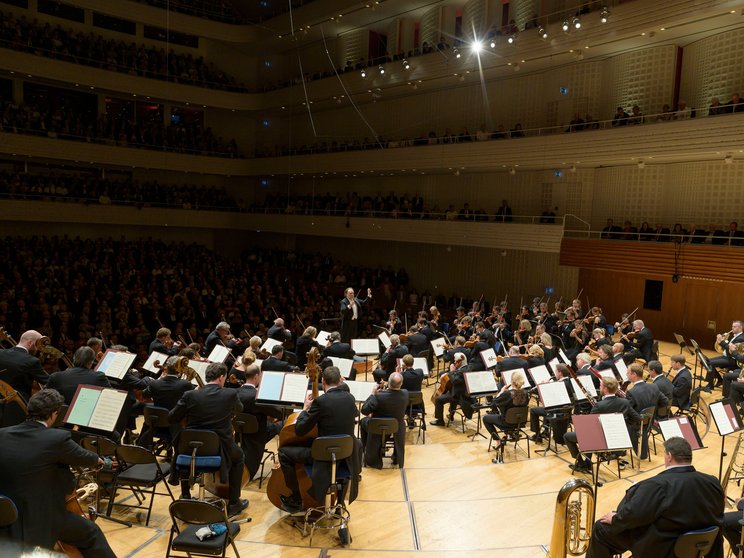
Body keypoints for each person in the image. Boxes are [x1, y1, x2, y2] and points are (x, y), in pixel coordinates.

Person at [0, 389, 116, 557]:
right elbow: (85, 457)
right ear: (54, 413)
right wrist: (102, 461)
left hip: (6, 516)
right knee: (91, 532)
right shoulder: (56, 438)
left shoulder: (2, 434)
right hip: (39, 518)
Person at [586, 437, 723, 558]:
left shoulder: (657, 485)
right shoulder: (713, 482)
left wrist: (615, 518)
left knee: (600, 529)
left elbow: (633, 515)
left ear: (669, 456)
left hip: (662, 548)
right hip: (698, 546)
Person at [168, 362, 248, 518]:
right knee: (239, 458)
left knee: (186, 449)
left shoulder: (190, 395)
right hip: (220, 446)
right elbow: (240, 409)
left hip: (190, 447)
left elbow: (172, 417)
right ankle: (233, 502)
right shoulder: (229, 394)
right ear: (221, 377)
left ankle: (185, 495)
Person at [278, 366, 359, 513]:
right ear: (340, 380)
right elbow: (353, 413)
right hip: (346, 455)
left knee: (284, 453)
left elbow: (300, 430)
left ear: (323, 381)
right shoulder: (350, 398)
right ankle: (339, 505)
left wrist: (305, 409)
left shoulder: (321, 402)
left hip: (323, 456)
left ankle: (296, 499)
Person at [564, 376, 640, 473]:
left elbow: (589, 426)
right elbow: (637, 418)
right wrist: (623, 425)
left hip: (600, 440)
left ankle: (582, 464)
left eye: (600, 386)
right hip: (617, 438)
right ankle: (586, 462)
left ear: (605, 389)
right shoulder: (625, 402)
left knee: (567, 436)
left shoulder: (599, 406)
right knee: (590, 434)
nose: (599, 388)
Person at [233, 365, 283, 480]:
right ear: (257, 376)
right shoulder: (257, 396)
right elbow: (277, 413)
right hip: (258, 434)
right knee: (284, 422)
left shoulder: (235, 392)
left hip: (239, 432)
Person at [360, 371, 408, 468]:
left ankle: (367, 451)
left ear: (389, 382)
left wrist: (373, 394)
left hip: (377, 427)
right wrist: (386, 387)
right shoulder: (405, 394)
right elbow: (393, 393)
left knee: (363, 421)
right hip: (396, 427)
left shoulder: (378, 397)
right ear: (401, 384)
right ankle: (396, 457)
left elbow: (364, 410)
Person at [484, 370, 529, 463]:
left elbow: (494, 403)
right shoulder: (526, 393)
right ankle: (509, 433)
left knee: (485, 418)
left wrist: (501, 391)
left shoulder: (507, 394)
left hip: (506, 422)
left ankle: (497, 441)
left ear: (512, 382)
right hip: (520, 422)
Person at [46, 346, 111, 404]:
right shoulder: (99, 376)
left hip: (61, 415)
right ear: (91, 362)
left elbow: (45, 397)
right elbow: (111, 397)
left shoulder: (55, 376)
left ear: (74, 358)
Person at [0, 329, 49, 401]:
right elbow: (48, 381)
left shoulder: (1, 352)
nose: (37, 350)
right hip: (17, 404)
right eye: (37, 346)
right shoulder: (31, 361)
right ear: (30, 343)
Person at [430, 352, 472, 426]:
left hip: (460, 395)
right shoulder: (466, 368)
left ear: (460, 362)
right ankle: (451, 414)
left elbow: (455, 381)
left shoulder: (462, 371)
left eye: (455, 361)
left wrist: (452, 371)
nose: (454, 363)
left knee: (438, 400)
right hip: (461, 392)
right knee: (448, 392)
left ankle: (440, 420)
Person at [705, 320, 744, 392]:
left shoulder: (741, 338)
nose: (732, 328)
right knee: (707, 361)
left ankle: (710, 385)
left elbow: (731, 349)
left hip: (733, 361)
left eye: (734, 327)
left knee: (711, 363)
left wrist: (721, 341)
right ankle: (720, 380)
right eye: (732, 326)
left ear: (740, 328)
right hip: (727, 357)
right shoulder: (735, 336)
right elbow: (728, 346)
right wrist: (723, 341)